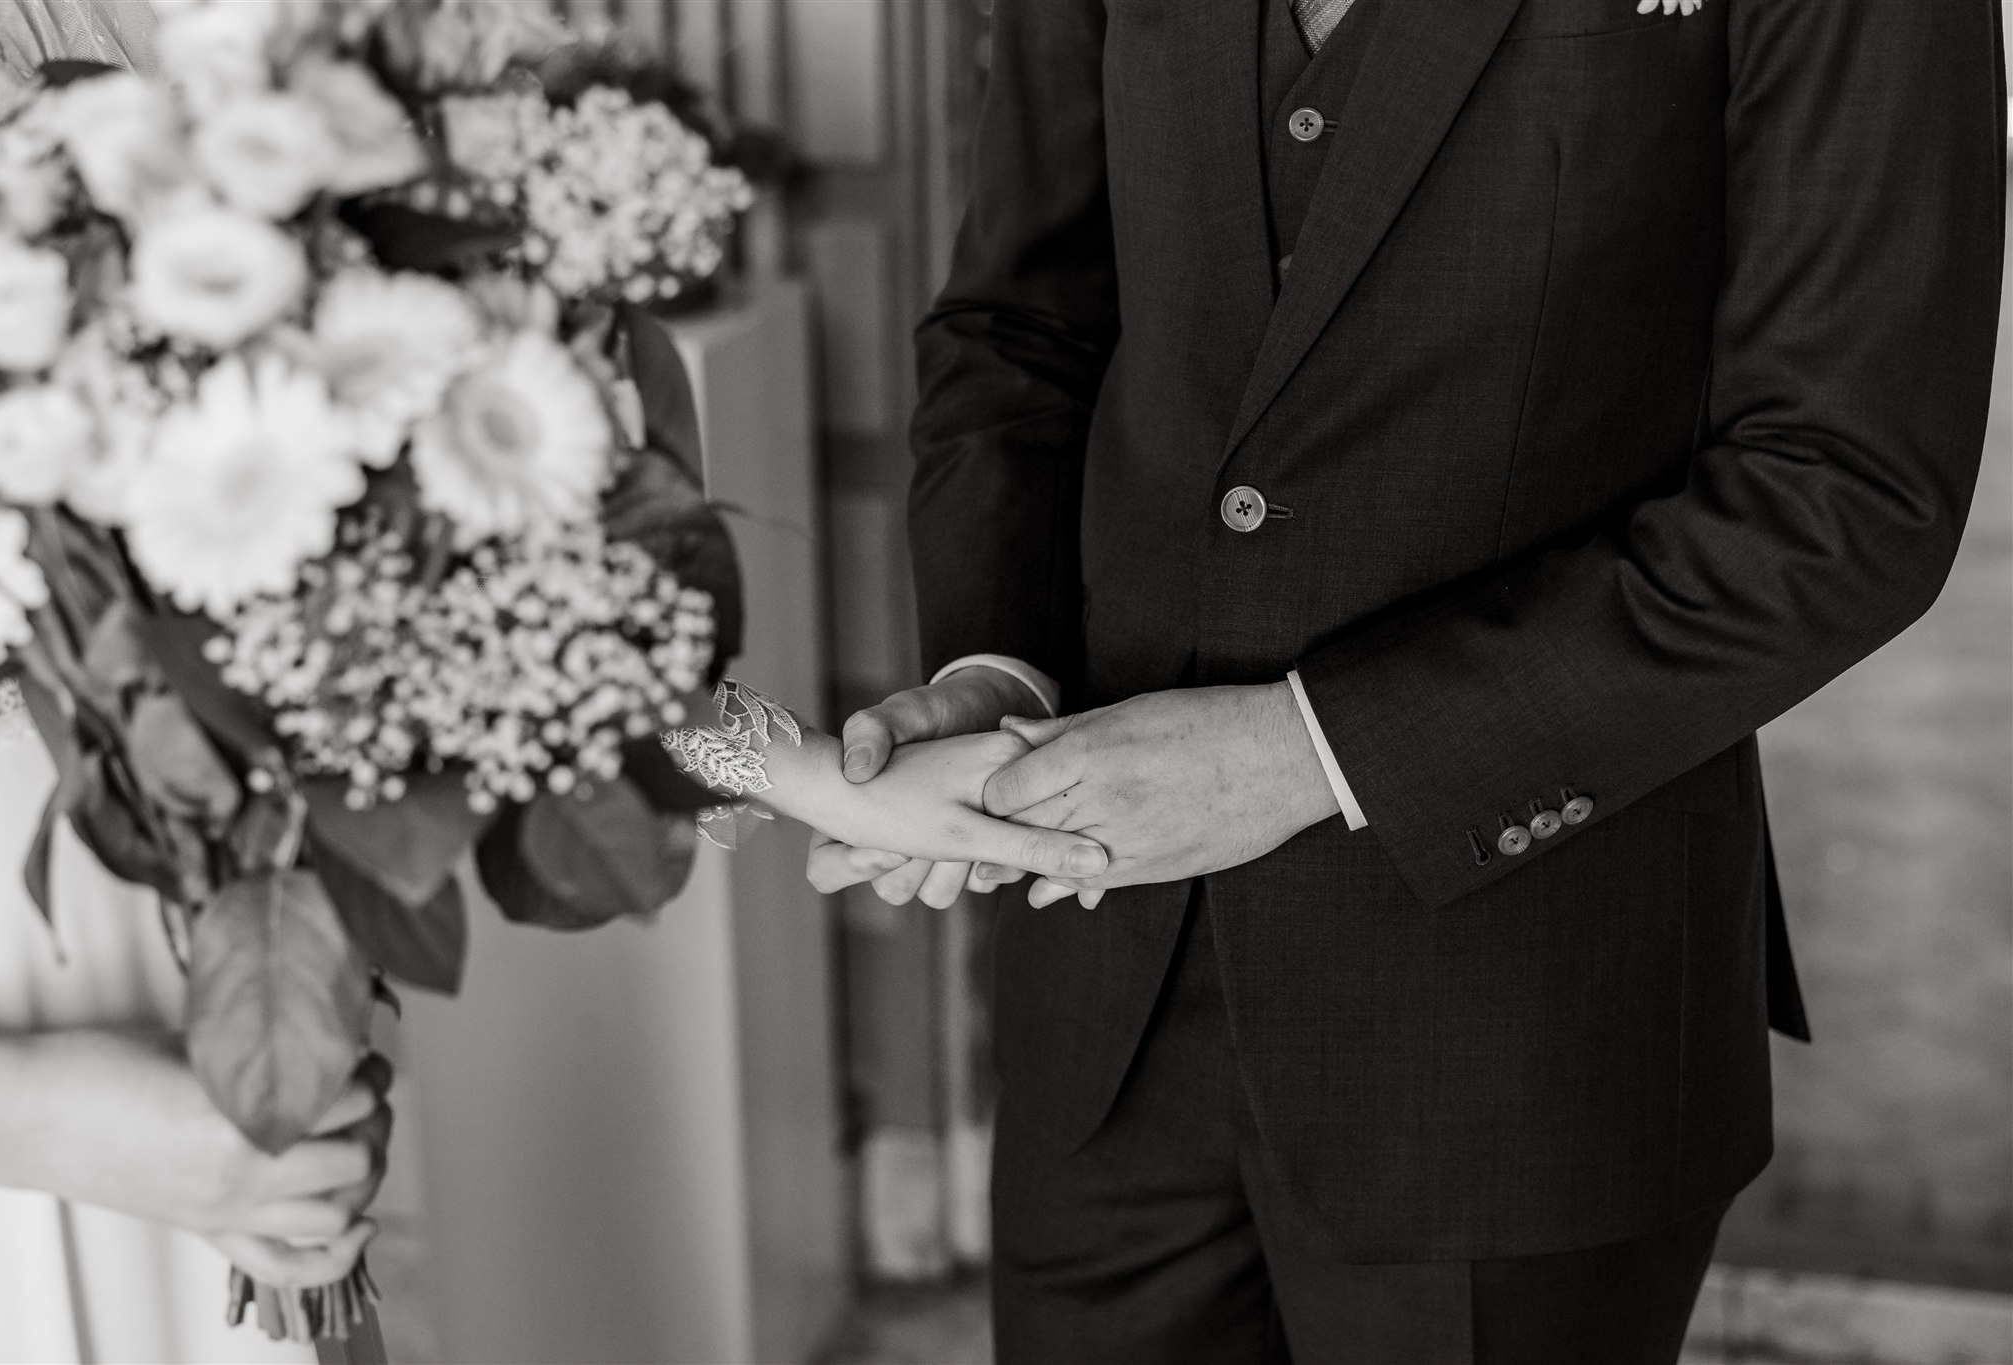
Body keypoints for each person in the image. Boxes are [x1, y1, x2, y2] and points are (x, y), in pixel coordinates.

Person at [812, 1, 2005, 1362]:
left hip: (1515, 1035)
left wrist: (1300, 753)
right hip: (1102, 998)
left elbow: (1845, 493)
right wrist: (994, 660)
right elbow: (1019, 322)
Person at [0, 5, 392, 1362]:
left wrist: (794, 764)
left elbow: (412, 546)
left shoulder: (135, 24)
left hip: (220, 1012)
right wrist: (39, 1119)